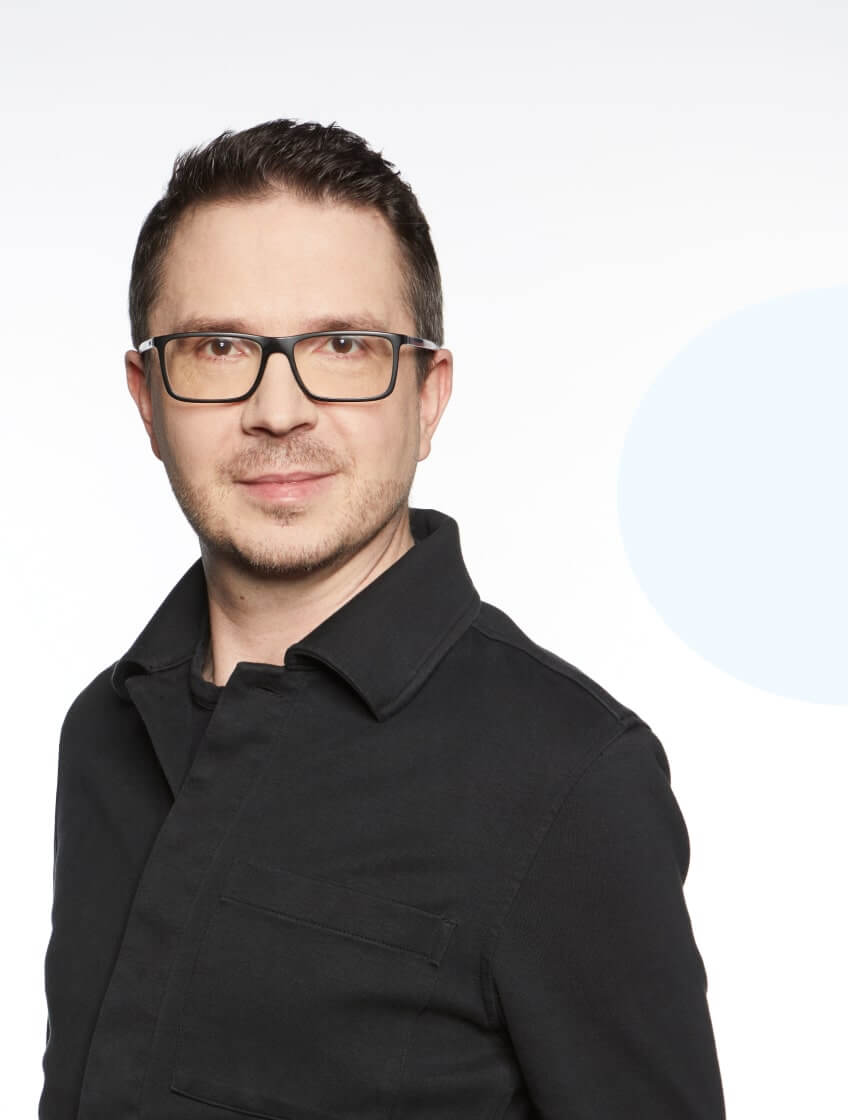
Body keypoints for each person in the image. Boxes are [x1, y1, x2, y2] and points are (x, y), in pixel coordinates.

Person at [38, 118, 726, 1119]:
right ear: (148, 399)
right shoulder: (103, 731)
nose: (280, 410)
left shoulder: (568, 774)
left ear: (428, 396)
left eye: (344, 346)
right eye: (219, 347)